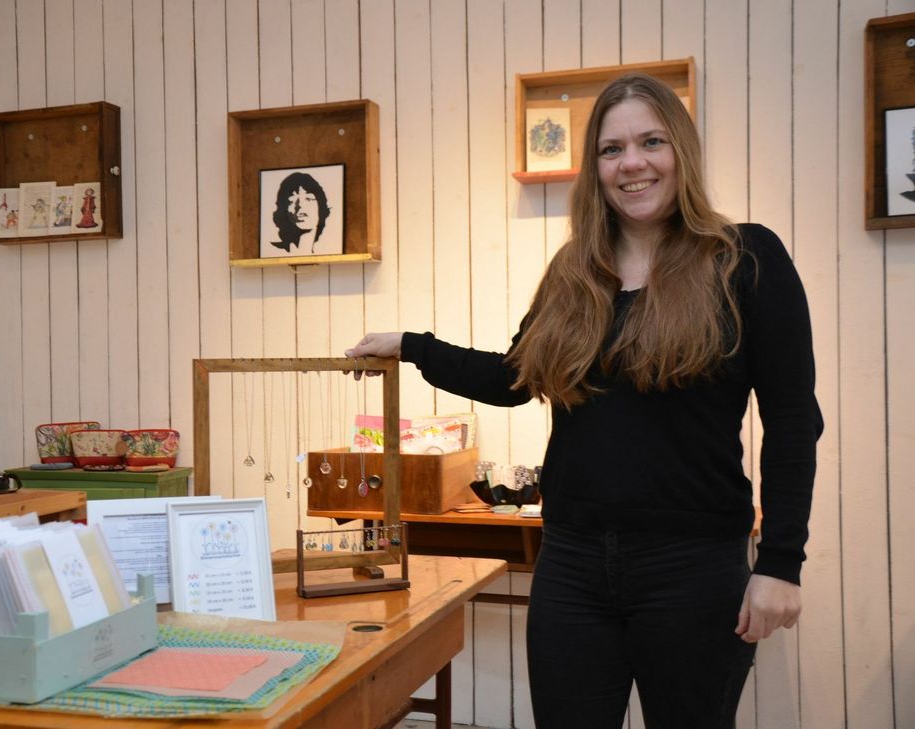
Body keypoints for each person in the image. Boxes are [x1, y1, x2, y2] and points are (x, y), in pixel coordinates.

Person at [345, 73, 823, 728]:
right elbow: (514, 378)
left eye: (651, 141)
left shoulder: (746, 259)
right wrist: (411, 345)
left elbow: (793, 421)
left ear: (680, 149)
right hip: (571, 565)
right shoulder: (575, 272)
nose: (633, 162)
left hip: (694, 566)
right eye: (611, 148)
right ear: (594, 168)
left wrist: (781, 564)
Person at [270, 171, 331, 253]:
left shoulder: (327, 251)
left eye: (308, 199)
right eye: (292, 200)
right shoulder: (273, 251)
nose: (300, 205)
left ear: (321, 207)